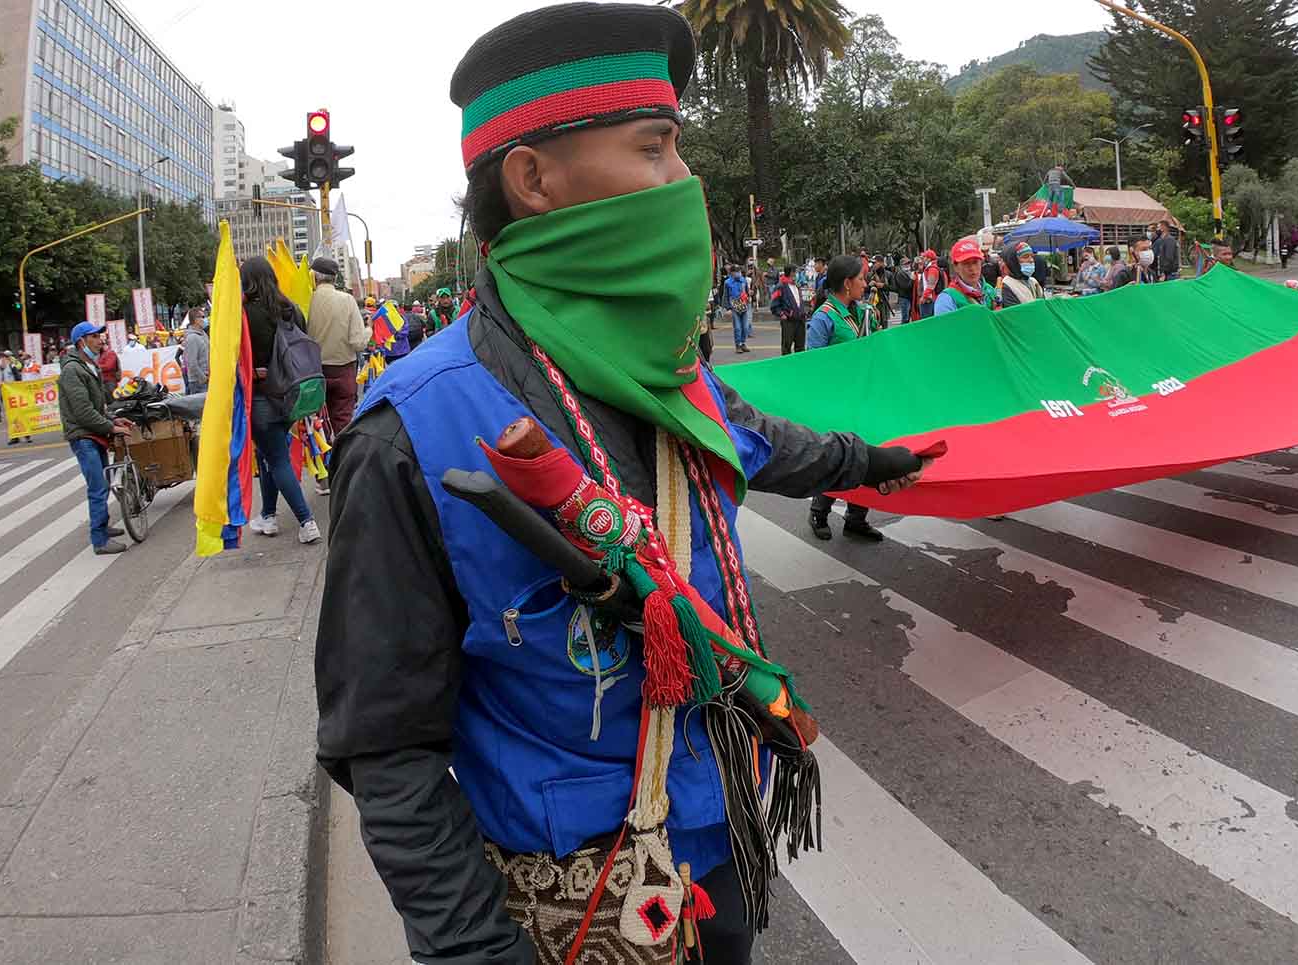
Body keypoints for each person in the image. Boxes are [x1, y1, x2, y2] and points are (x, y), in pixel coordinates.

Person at [315, 7, 929, 962]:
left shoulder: (668, 372)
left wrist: (872, 461)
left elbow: (759, 440)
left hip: (718, 833)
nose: (684, 183)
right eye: (655, 150)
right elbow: (384, 747)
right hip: (572, 893)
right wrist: (478, 951)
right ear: (534, 179)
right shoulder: (410, 432)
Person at [803, 255, 887, 543]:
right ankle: (819, 512)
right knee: (838, 458)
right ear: (847, 283)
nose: (866, 284)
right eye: (862, 279)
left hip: (864, 398)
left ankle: (856, 518)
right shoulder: (824, 317)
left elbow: (876, 347)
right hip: (838, 402)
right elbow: (813, 365)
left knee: (865, 459)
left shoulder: (862, 312)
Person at [241, 256, 322, 543]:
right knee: (267, 456)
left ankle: (306, 521)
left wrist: (254, 371)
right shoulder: (290, 309)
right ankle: (269, 516)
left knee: (275, 458)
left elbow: (237, 358)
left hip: (262, 396)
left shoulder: (245, 314)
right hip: (291, 394)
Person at [59, 321, 132, 555]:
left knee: (104, 481)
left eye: (100, 336)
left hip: (94, 433)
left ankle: (104, 525)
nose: (101, 340)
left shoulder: (90, 366)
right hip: (84, 436)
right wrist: (111, 428)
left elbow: (97, 406)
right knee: (98, 487)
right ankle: (99, 540)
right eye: (95, 336)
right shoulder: (73, 370)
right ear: (82, 342)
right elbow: (83, 412)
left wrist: (113, 419)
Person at [308, 256, 371, 437]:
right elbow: (358, 343)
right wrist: (369, 329)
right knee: (343, 423)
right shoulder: (347, 300)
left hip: (315, 372)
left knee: (319, 426)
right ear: (335, 278)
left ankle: (325, 463)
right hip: (344, 370)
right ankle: (343, 461)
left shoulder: (306, 300)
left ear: (314, 277)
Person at [933, 238, 999, 314]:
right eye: (966, 263)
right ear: (955, 267)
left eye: (975, 262)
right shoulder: (946, 299)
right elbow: (945, 325)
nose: (972, 268)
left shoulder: (989, 290)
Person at [998, 241, 1047, 307]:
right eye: (1025, 256)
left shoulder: (1033, 281)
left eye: (1032, 256)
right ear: (1013, 261)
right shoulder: (1007, 285)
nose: (1031, 260)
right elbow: (1016, 313)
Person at [771, 264, 806, 354]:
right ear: (790, 273)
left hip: (800, 320)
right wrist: (781, 314)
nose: (796, 274)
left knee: (800, 346)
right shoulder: (780, 286)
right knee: (787, 346)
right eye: (795, 272)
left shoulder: (796, 286)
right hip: (788, 321)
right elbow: (774, 304)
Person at [183, 306, 210, 396]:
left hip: (206, 379)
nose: (205, 319)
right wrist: (203, 378)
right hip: (198, 382)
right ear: (195, 319)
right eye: (202, 317)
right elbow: (191, 362)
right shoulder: (192, 338)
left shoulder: (203, 335)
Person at [723, 263, 751, 353]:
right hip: (734, 307)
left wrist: (750, 296)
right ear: (731, 273)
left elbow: (747, 291)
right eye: (736, 271)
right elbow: (725, 296)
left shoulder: (743, 280)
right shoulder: (727, 283)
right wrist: (727, 308)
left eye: (739, 271)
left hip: (744, 306)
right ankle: (737, 345)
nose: (738, 273)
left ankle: (743, 343)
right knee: (737, 327)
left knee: (745, 327)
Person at [911, 248, 942, 319]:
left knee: (927, 321)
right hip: (928, 299)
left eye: (924, 257)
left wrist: (923, 297)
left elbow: (931, 286)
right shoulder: (931, 268)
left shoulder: (932, 269)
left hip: (928, 300)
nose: (922, 259)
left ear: (928, 258)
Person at [890, 255, 914, 323]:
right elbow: (905, 286)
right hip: (904, 298)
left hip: (908, 297)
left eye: (909, 263)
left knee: (908, 316)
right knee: (905, 317)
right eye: (906, 263)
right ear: (901, 265)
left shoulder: (908, 272)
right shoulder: (900, 274)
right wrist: (912, 280)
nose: (908, 265)